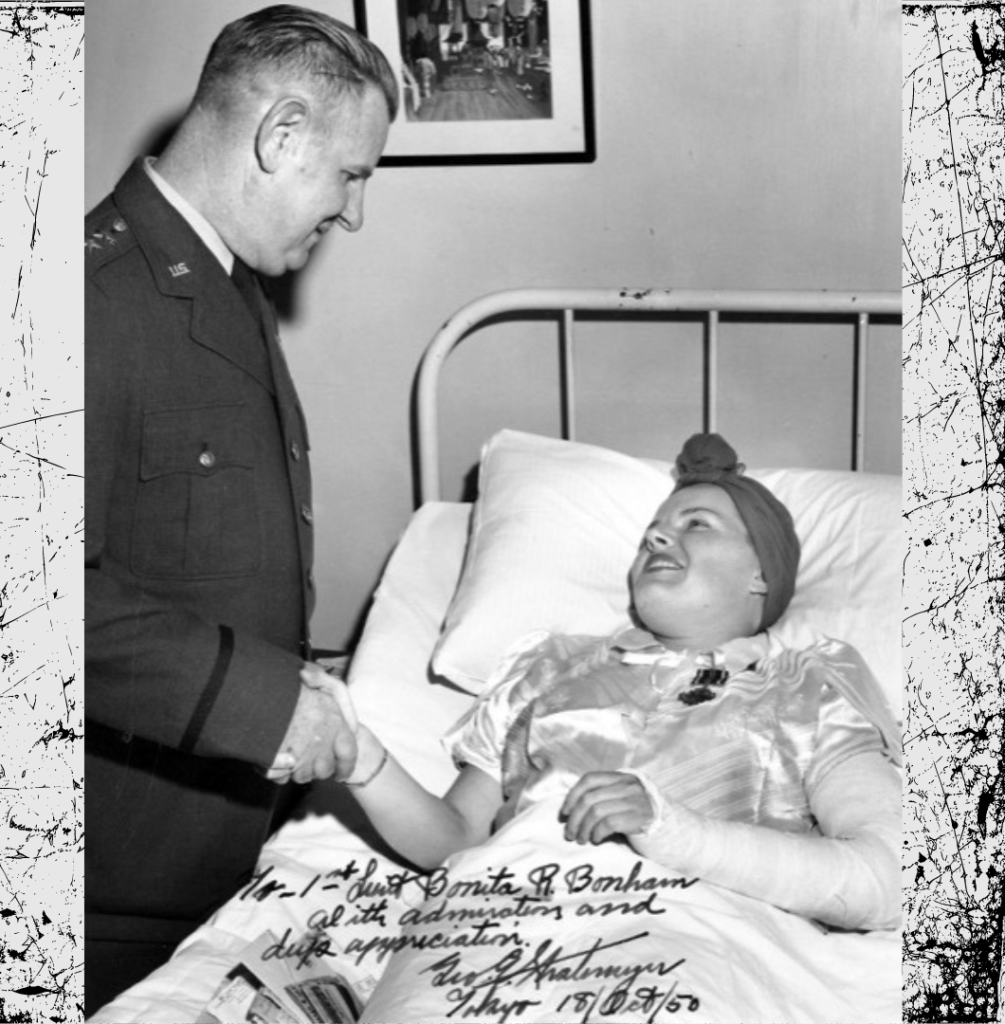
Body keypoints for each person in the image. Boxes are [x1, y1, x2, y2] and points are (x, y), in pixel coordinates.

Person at [84, 6, 398, 1013]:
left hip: (225, 837)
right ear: (282, 137)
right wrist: (265, 705)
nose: (352, 212)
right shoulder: (83, 299)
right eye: (351, 174)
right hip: (115, 871)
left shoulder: (225, 279)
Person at [305, 432, 902, 934]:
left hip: (694, 949)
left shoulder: (807, 690)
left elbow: (888, 880)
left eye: (698, 524)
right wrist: (360, 757)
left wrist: (672, 831)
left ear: (761, 575)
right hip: (502, 940)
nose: (657, 538)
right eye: (652, 531)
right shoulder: (549, 669)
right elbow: (452, 839)